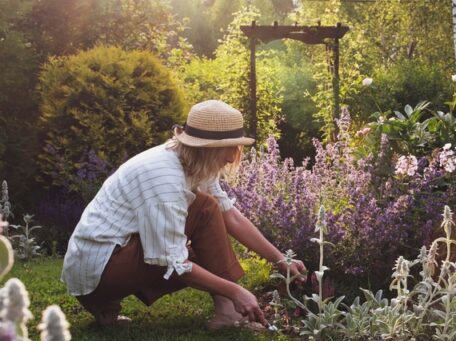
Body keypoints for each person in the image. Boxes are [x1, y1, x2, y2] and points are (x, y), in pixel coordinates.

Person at [61, 100, 306, 328]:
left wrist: (280, 259)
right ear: (206, 149)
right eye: (228, 148)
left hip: (109, 260)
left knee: (207, 209)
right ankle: (226, 308)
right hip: (100, 272)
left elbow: (230, 216)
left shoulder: (193, 161)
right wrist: (234, 291)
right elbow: (172, 261)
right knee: (198, 228)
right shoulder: (164, 178)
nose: (233, 156)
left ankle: (107, 307)